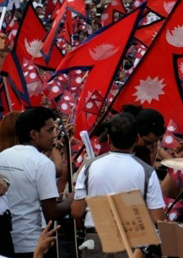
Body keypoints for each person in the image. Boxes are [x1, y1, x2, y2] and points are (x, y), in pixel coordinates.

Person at [72, 112, 165, 258]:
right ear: (137, 138)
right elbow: (158, 219)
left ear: (109, 138)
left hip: (95, 241)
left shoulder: (89, 166)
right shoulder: (147, 172)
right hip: (131, 244)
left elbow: (76, 212)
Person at [0, 107, 73, 258]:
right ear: (34, 134)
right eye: (49, 130)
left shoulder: (3, 156)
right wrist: (72, 199)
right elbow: (52, 212)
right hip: (32, 245)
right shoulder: (42, 163)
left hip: (6, 242)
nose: (54, 135)